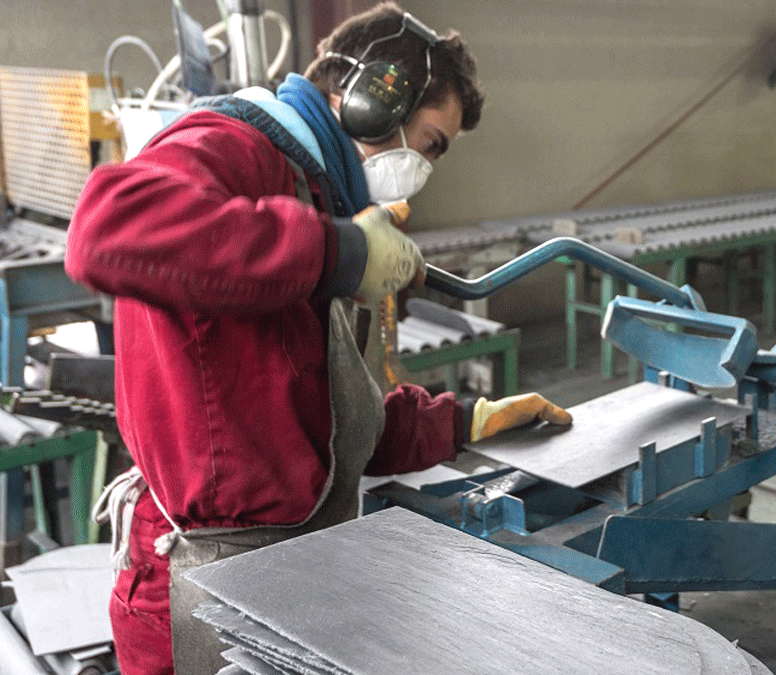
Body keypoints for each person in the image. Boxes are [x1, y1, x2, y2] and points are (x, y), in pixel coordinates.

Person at [65, 4, 572, 674]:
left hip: (286, 574)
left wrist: (461, 422)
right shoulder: (234, 145)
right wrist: (340, 253)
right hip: (199, 585)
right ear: (368, 95)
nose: (422, 168)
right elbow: (105, 229)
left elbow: (319, 420)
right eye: (428, 143)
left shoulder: (318, 198)